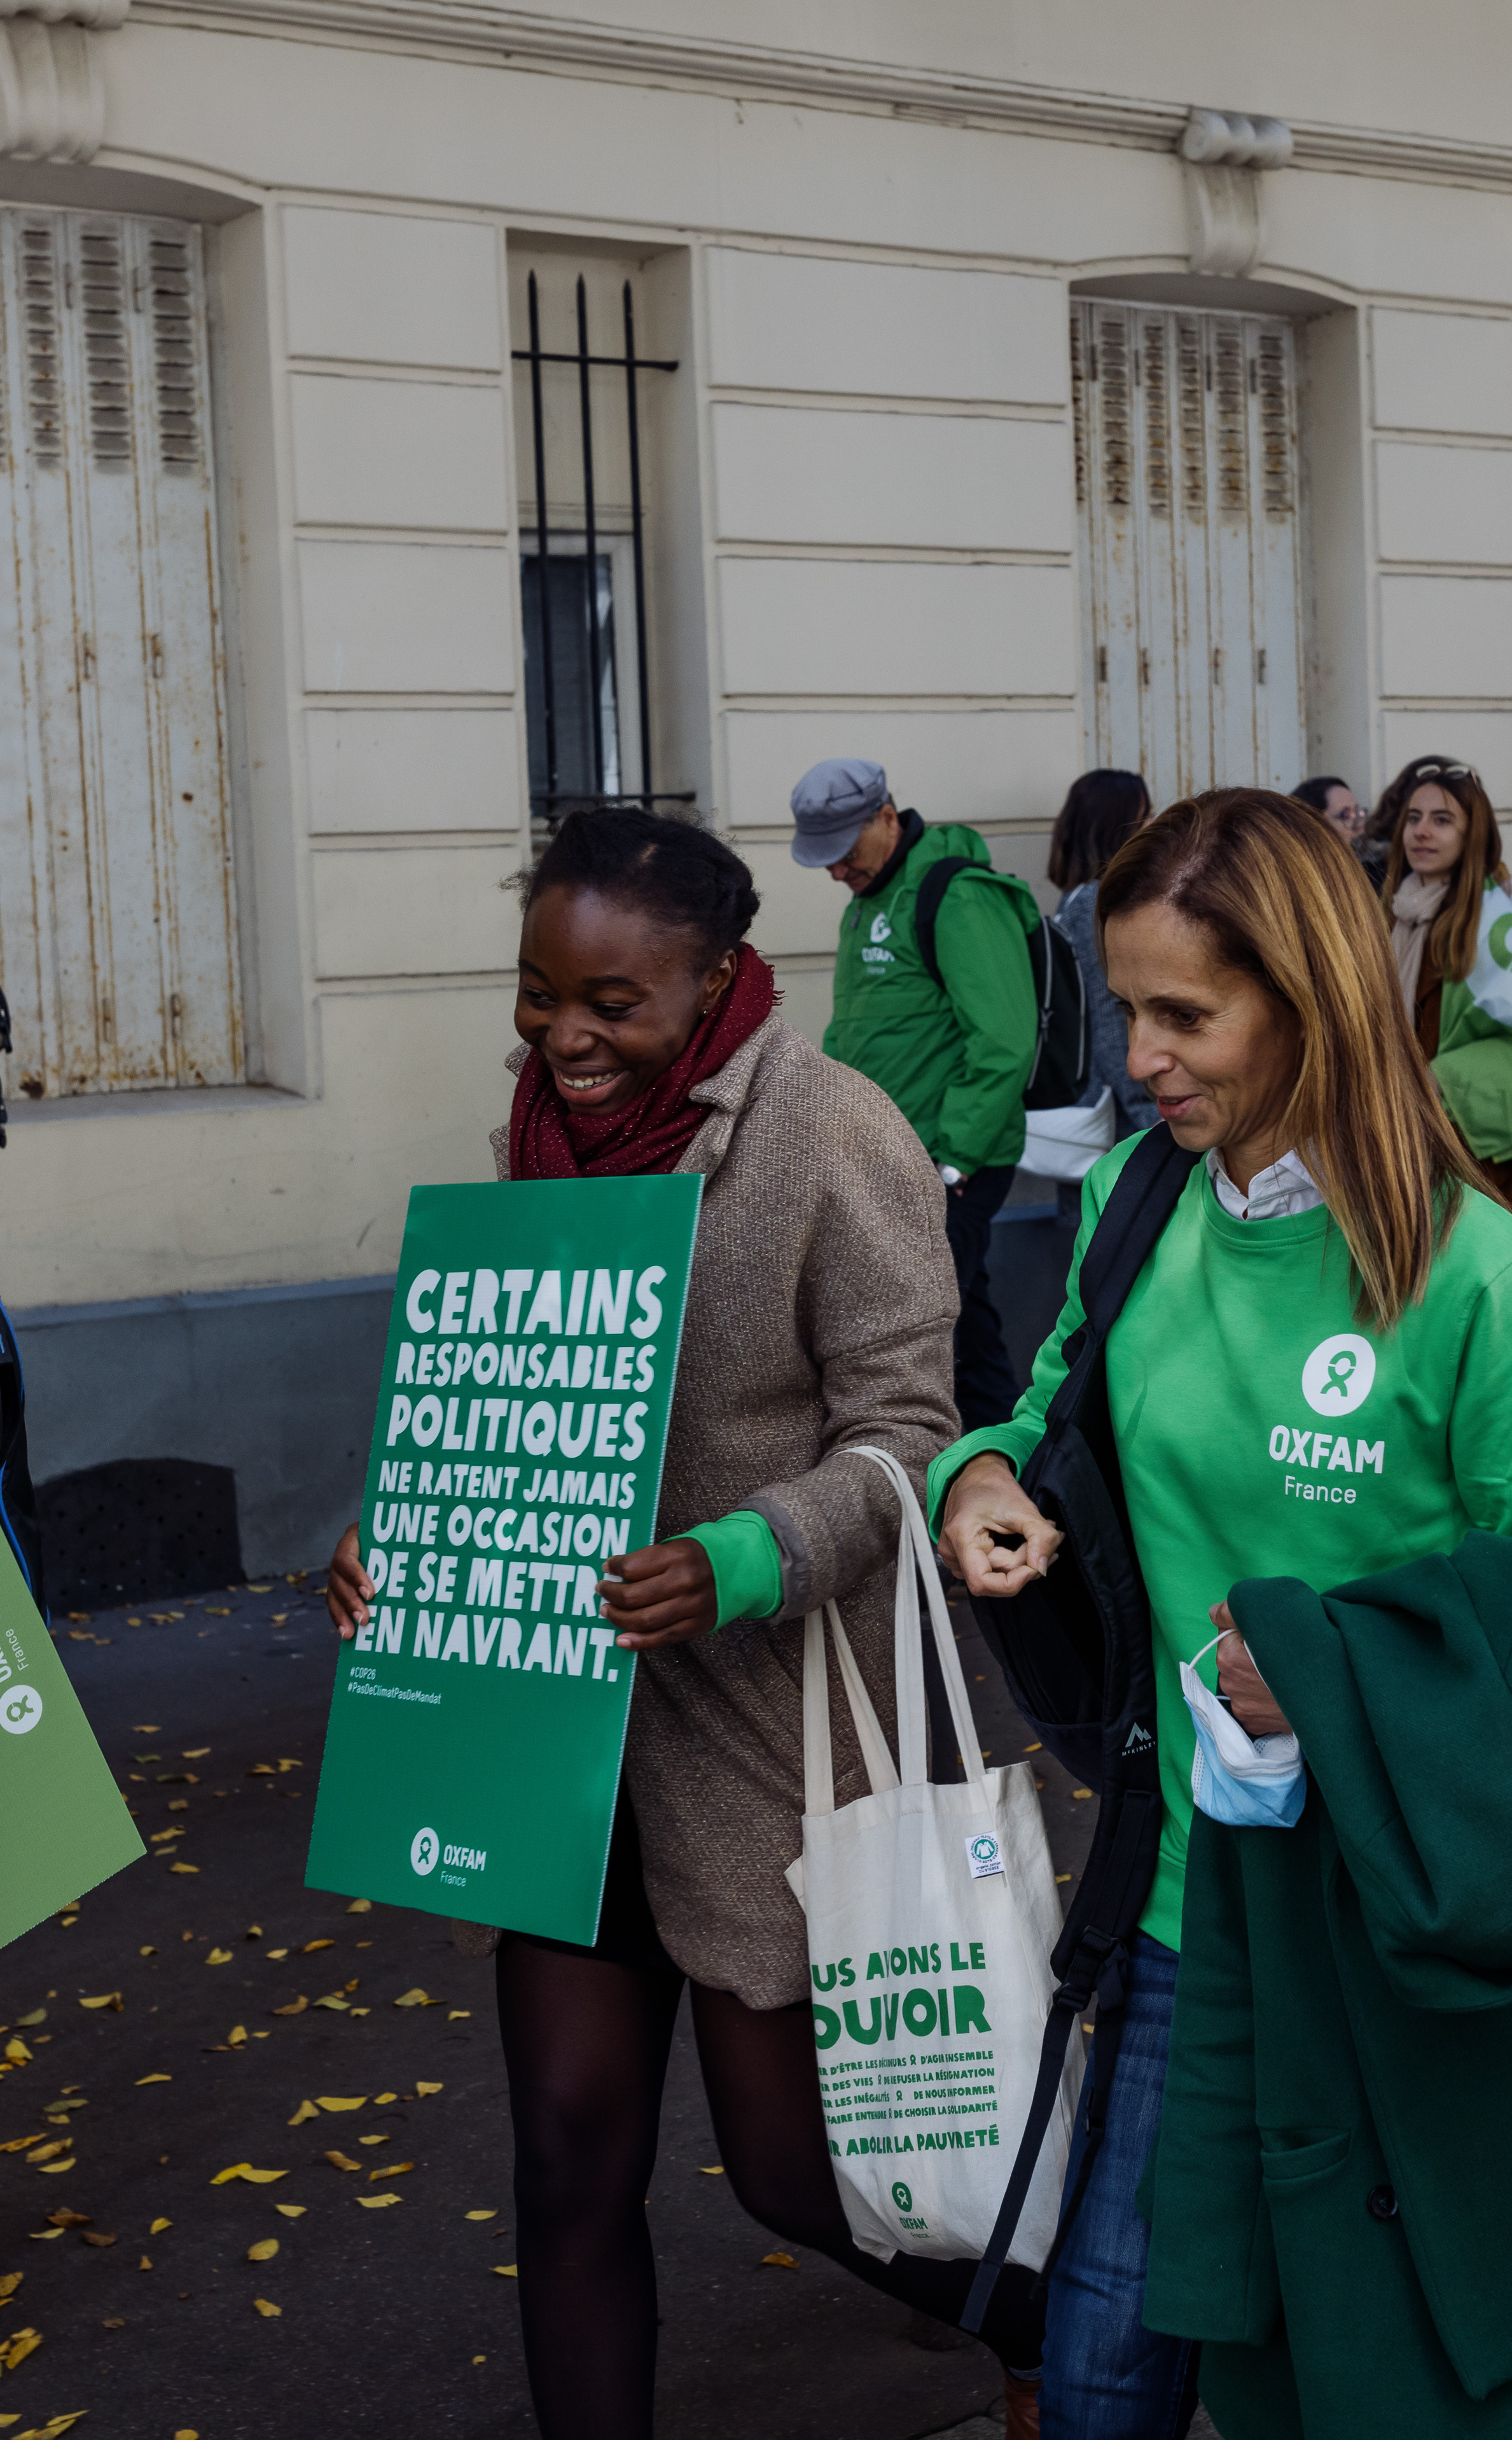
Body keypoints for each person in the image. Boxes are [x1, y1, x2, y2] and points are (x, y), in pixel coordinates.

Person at [321, 807, 1044, 2437]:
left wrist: (743, 1553)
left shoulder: (830, 1127)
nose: (564, 1036)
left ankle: (1069, 2324)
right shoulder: (539, 1127)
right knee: (567, 2158)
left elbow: (913, 1432)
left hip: (764, 1733)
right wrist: (405, 1534)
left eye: (609, 1004)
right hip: (556, 1741)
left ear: (715, 982)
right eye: (537, 993)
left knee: (797, 2168)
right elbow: (507, 1404)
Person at [934, 789, 1512, 2440]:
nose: (1139, 1052)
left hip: (1378, 1931)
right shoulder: (1134, 1202)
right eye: (1124, 1006)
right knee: (1104, 2380)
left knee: (1391, 2372)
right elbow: (1038, 1411)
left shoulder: (1480, 1282)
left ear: (1310, 999)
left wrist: (1331, 1679)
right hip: (1181, 1908)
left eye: (1184, 1012)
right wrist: (974, 1482)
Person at [789, 755, 1041, 1429]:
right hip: (890, 1158)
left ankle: (944, 1483)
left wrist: (954, 1160)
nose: (834, 871)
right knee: (962, 1328)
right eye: (823, 859)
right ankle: (1013, 1465)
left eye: (842, 852)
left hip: (947, 1161)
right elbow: (854, 1034)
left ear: (885, 816)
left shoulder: (955, 894)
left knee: (919, 1337)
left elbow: (1005, 1039)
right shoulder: (867, 902)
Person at [1376, 756, 1512, 1220]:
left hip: (1478, 1155)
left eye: (1442, 820)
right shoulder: (1396, 913)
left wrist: (1437, 1080)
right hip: (1404, 1142)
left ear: (1473, 836)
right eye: (1414, 818)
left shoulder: (1496, 931)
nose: (1421, 832)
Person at [1041, 770, 1165, 1206]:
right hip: (1114, 1117)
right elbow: (1110, 1016)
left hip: (1094, 1104)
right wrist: (1150, 1112)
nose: (1153, 826)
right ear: (1117, 826)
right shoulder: (1097, 903)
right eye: (1145, 815)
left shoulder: (1075, 899)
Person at [1293, 775, 1377, 881]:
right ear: (1312, 825)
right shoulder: (1303, 879)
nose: (1358, 827)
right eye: (1345, 815)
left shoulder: (1366, 873)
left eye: (1356, 811)